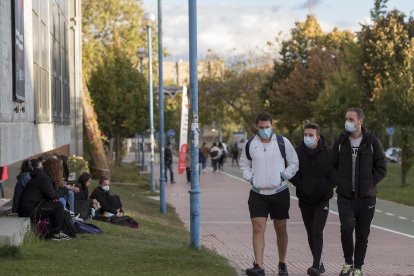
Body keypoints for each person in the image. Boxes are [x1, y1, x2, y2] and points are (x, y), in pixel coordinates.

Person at [327, 107, 387, 276]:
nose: (348, 122)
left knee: (362, 234)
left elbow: (382, 168)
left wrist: (370, 183)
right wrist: (339, 181)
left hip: (367, 198)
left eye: (351, 119)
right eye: (346, 119)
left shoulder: (373, 142)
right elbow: (331, 167)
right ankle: (348, 263)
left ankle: (358, 268)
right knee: (346, 228)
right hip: (345, 196)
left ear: (360, 121)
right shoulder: (341, 141)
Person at [240, 111, 299, 276]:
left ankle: (282, 263)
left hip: (279, 192)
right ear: (256, 127)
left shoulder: (282, 142)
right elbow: (244, 163)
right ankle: (259, 266)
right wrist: (250, 177)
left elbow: (294, 162)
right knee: (258, 227)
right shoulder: (250, 143)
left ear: (272, 125)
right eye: (261, 127)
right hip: (257, 193)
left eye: (267, 127)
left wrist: (284, 176)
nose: (264, 130)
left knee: (280, 227)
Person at [290, 123, 333, 276]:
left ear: (318, 137)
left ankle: (315, 265)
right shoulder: (297, 152)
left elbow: (336, 171)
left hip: (322, 199)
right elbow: (291, 171)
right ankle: (319, 264)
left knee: (317, 230)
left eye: (311, 135)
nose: (307, 137)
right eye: (306, 135)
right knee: (310, 232)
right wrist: (301, 186)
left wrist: (328, 186)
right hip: (305, 199)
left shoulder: (329, 152)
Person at [18, 158, 71, 241]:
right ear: (54, 169)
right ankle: (55, 233)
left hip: (29, 208)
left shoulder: (43, 176)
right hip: (30, 209)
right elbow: (53, 196)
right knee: (59, 206)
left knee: (57, 205)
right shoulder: (44, 178)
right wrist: (65, 189)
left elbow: (50, 195)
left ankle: (56, 232)